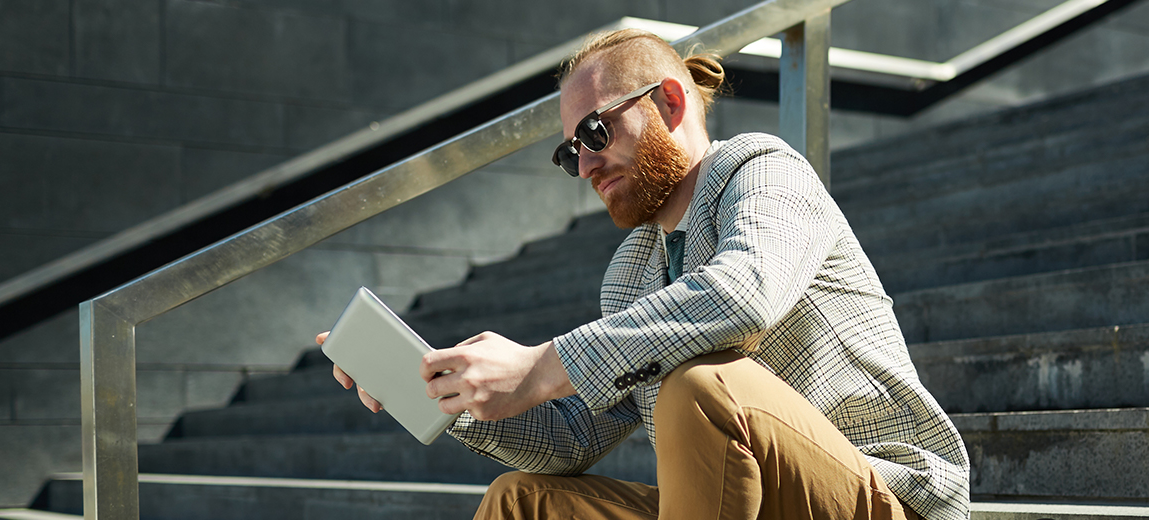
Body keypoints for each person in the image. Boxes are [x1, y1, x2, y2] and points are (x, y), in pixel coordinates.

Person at [321, 28, 970, 520]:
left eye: (597, 132)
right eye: (570, 149)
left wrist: (544, 363)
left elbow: (745, 293)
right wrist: (449, 395)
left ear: (668, 100)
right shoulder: (633, 272)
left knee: (703, 388)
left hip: (887, 499)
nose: (584, 166)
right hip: (748, 502)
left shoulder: (763, 169)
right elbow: (573, 438)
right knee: (522, 501)